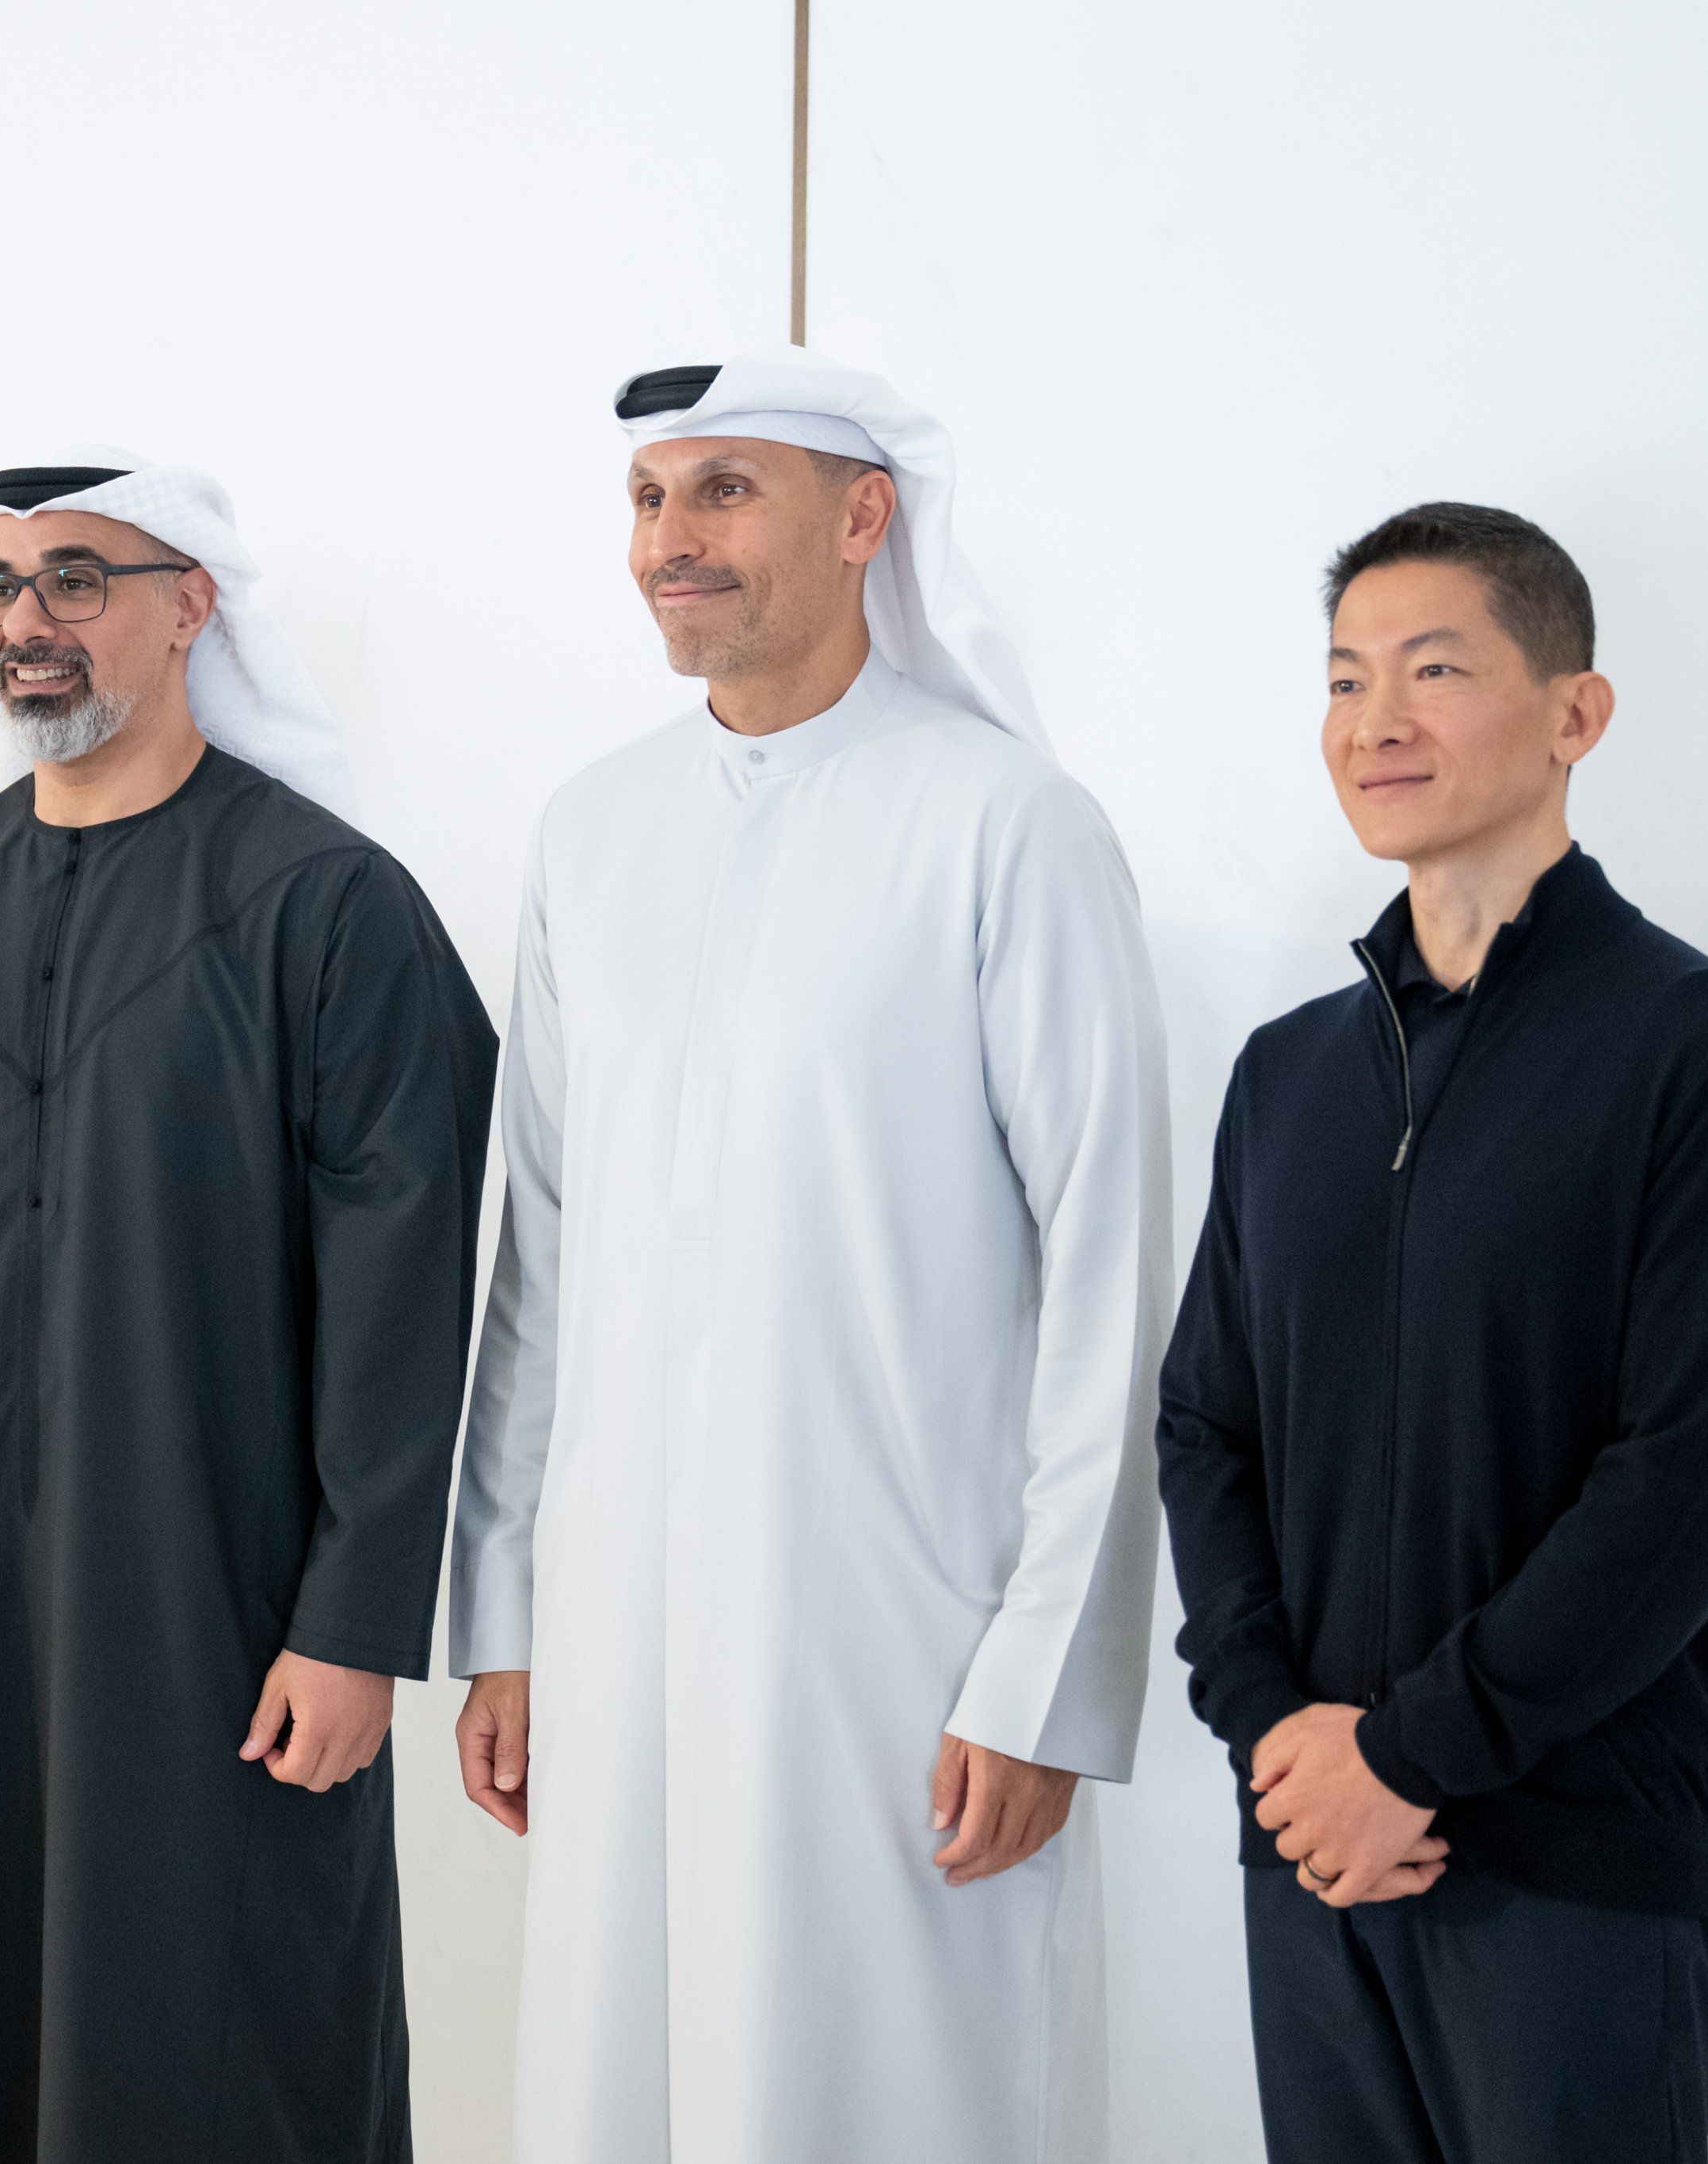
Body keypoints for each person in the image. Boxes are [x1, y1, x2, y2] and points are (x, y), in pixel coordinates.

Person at [444, 349, 1172, 2162]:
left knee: (889, 2094)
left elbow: (1108, 1277)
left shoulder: (1007, 826)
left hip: (897, 1650)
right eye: (644, 498)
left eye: (720, 491)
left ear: (866, 518)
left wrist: (1039, 1681)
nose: (667, 540)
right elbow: (533, 1251)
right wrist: (508, 1619)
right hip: (613, 1633)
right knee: (620, 2087)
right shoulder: (589, 830)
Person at [0, 458, 497, 2162]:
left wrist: (355, 1618)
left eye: (76, 580)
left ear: (190, 606)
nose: (27, 624)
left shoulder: (328, 909)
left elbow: (408, 1299)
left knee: (223, 2036)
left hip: (221, 1617)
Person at [1155, 503, 1708, 2164]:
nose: (1374, 720)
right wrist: (1277, 1742)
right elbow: (1201, 1426)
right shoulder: (1286, 1073)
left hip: (1572, 1863)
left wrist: (1411, 1752)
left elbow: (1681, 1478)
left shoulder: (1694, 1050)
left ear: (1572, 714)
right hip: (1310, 1856)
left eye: (1431, 669)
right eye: (1341, 679)